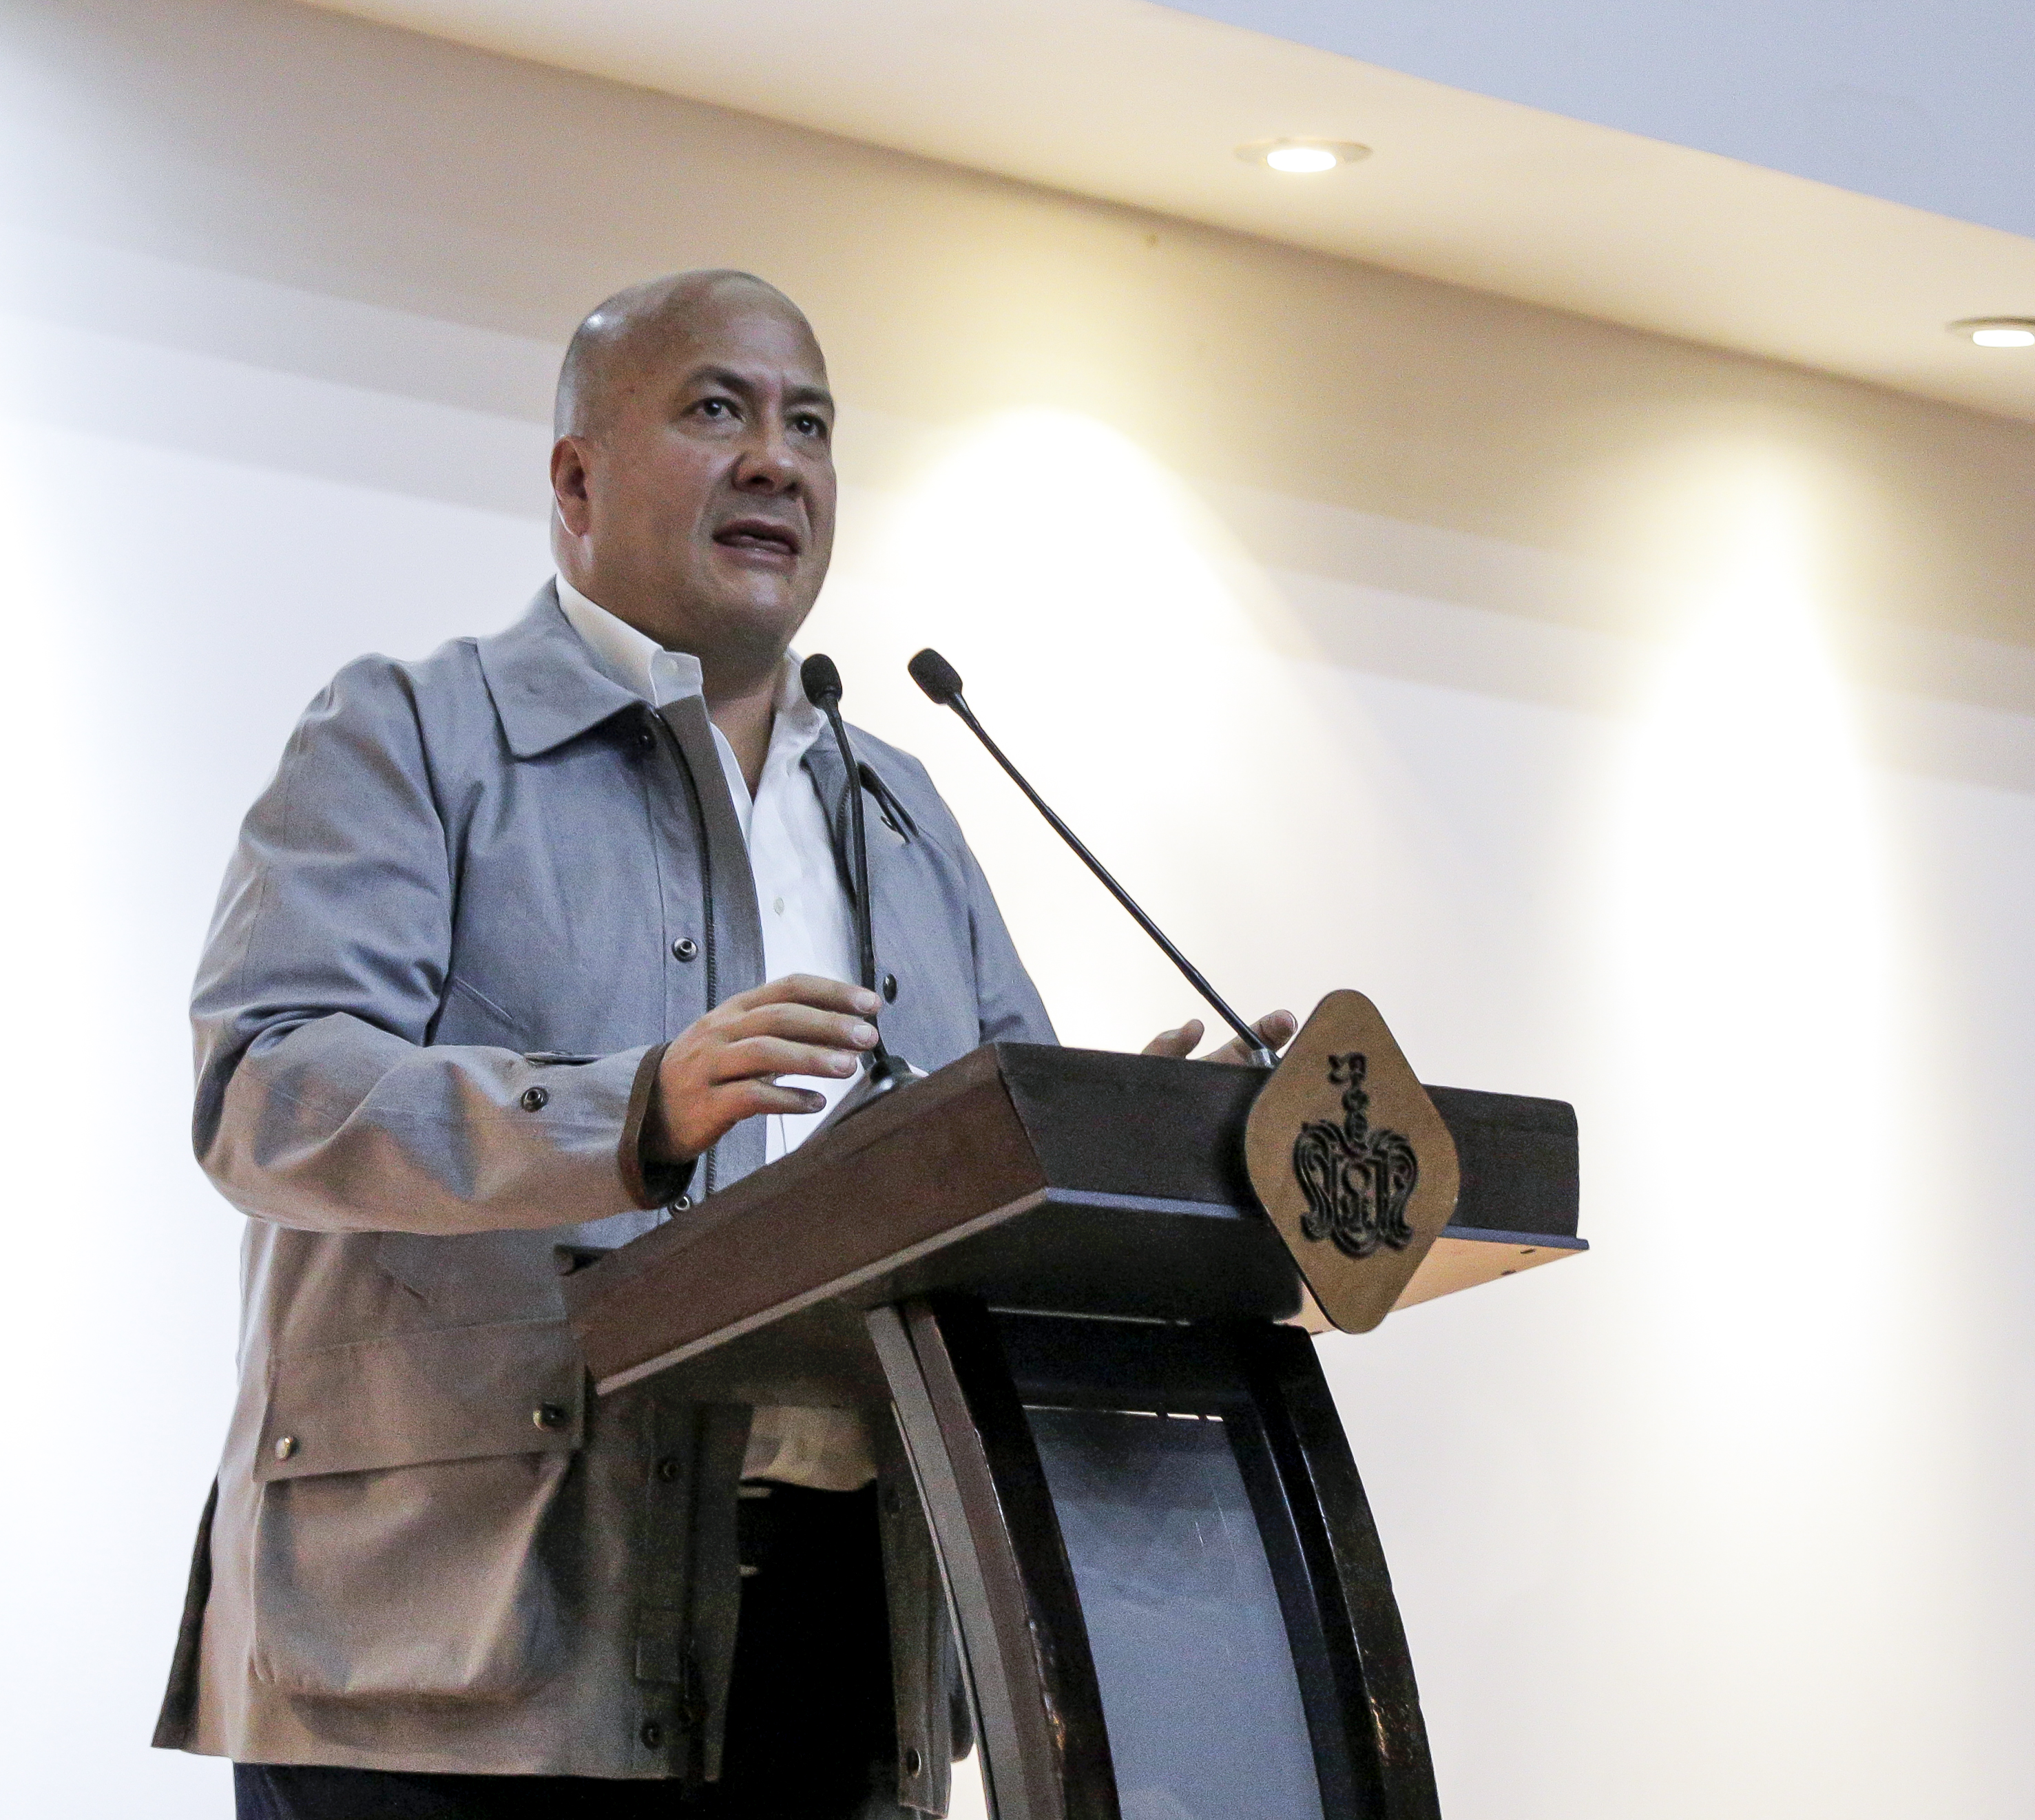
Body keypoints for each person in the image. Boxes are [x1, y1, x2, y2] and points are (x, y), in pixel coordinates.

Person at [153, 269, 1293, 1820]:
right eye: (716, 410)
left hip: (845, 1633)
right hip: (461, 1647)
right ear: (575, 481)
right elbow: (267, 1090)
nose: (777, 460)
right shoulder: (411, 734)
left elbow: (998, 1165)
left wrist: (1141, 1140)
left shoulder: (899, 807)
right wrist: (632, 1108)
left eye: (809, 425)